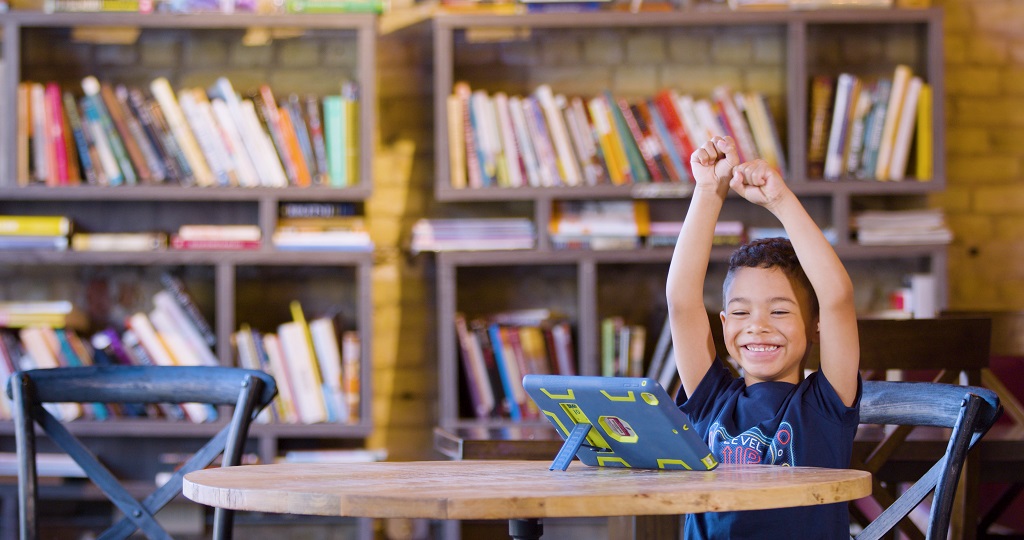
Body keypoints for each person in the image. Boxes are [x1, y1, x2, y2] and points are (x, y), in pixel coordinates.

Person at [666, 135, 861, 539]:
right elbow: (681, 300)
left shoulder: (825, 405)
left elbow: (838, 296)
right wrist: (707, 192)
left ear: (815, 324)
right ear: (723, 323)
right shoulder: (711, 399)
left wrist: (780, 201)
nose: (757, 325)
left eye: (779, 311)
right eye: (741, 312)